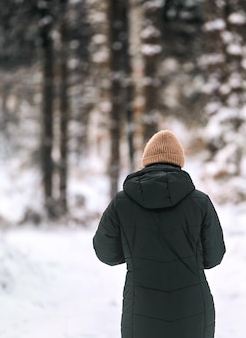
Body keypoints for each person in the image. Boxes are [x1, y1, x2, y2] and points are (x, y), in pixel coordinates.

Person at [93, 130, 226, 338]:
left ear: (146, 161)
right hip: (192, 307)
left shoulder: (122, 202)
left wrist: (133, 253)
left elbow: (105, 253)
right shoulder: (200, 203)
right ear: (179, 161)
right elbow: (214, 257)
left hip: (141, 309)